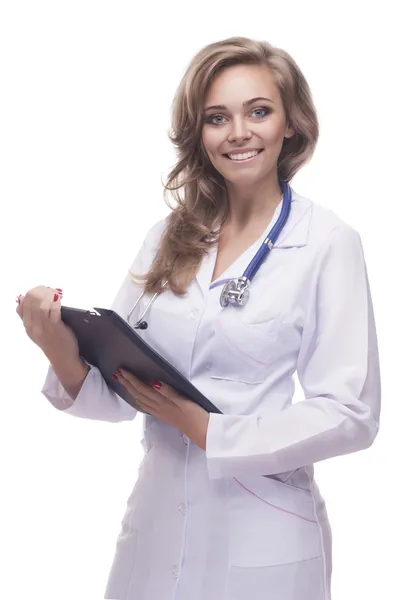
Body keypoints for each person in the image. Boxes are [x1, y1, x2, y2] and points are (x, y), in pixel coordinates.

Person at [16, 36, 381, 600]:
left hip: (262, 531)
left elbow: (352, 412)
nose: (238, 132)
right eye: (217, 117)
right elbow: (123, 388)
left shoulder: (328, 242)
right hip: (155, 530)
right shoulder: (168, 237)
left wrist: (207, 429)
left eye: (258, 111)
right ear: (199, 133)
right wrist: (58, 344)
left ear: (291, 123)